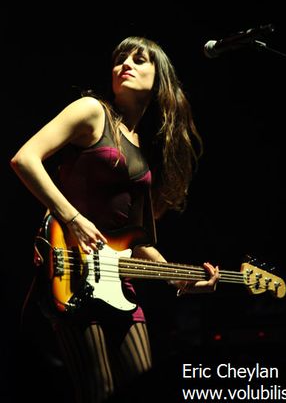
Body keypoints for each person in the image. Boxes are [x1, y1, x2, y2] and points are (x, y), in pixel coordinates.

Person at [10, 35, 219, 403]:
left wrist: (181, 278)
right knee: (99, 391)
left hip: (117, 280)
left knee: (146, 388)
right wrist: (72, 217)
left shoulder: (143, 144)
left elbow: (137, 242)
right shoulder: (92, 110)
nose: (126, 64)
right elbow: (25, 159)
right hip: (70, 271)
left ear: (160, 79)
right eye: (121, 58)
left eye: (140, 60)